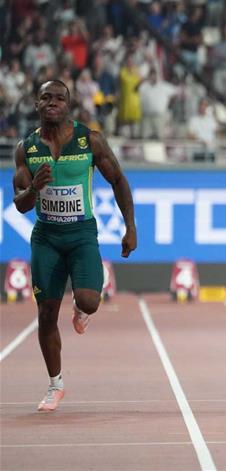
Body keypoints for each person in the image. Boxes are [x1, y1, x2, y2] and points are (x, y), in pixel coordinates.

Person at [12, 80, 137, 412]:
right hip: (46, 238)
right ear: (36, 104)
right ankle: (55, 384)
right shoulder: (27, 148)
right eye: (46, 98)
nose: (52, 103)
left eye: (59, 98)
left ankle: (82, 311)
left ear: (69, 105)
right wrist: (33, 190)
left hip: (82, 235)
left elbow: (119, 180)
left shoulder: (89, 140)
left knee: (90, 300)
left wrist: (130, 226)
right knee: (45, 313)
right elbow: (20, 204)